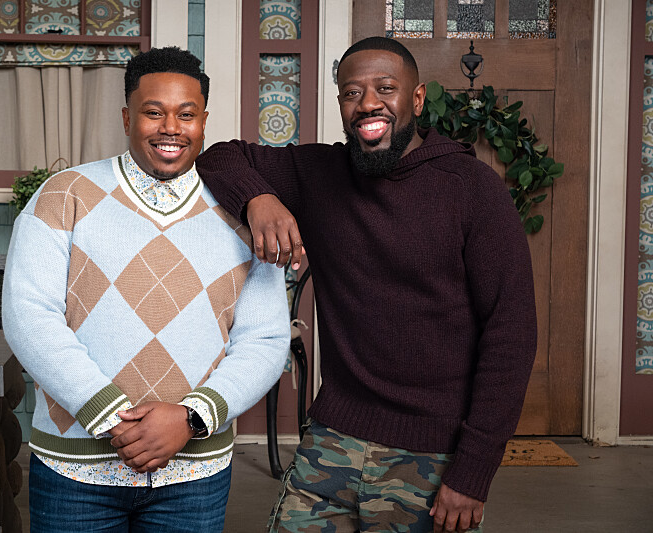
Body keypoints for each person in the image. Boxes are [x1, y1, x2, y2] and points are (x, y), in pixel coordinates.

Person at [196, 37, 537, 533]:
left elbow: (511, 336)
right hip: (331, 440)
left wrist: (474, 472)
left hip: (432, 453)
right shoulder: (322, 171)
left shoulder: (473, 189)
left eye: (385, 88)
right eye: (351, 92)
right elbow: (220, 157)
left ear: (416, 99)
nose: (368, 103)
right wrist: (259, 200)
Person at [2, 46, 290, 533]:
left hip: (194, 476)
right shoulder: (63, 194)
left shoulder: (243, 212)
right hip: (75, 472)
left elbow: (262, 339)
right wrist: (111, 416)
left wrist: (192, 419)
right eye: (153, 112)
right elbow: (30, 316)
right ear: (126, 116)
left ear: (203, 120)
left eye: (186, 114)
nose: (170, 128)